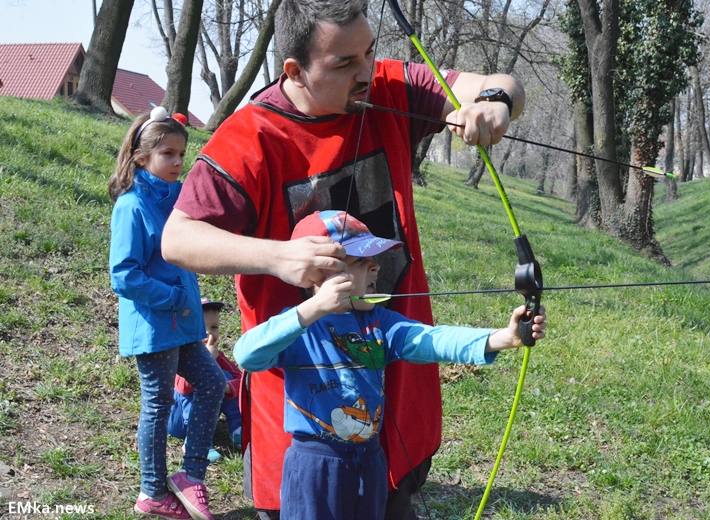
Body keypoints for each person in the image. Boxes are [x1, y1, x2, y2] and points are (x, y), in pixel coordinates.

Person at [160, 1, 525, 517]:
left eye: (369, 52)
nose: (365, 73)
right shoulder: (251, 137)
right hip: (302, 423)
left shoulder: (388, 86)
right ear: (295, 71)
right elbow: (178, 238)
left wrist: (493, 102)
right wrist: (279, 256)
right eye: (343, 64)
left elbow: (500, 83)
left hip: (391, 387)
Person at [232, 210, 547, 520]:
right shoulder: (298, 327)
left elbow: (431, 339)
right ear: (319, 273)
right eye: (360, 261)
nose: (375, 267)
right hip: (316, 465)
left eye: (373, 259)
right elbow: (248, 355)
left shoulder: (379, 324)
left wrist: (502, 338)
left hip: (369, 460)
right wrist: (312, 309)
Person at [109, 106, 225, 520]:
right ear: (142, 157)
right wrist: (174, 298)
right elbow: (124, 275)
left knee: (213, 381)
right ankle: (152, 492)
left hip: (182, 325)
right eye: (168, 154)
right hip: (155, 325)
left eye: (181, 153)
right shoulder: (132, 206)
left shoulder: (178, 200)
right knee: (157, 405)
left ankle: (190, 476)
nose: (178, 162)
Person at [168, 298, 243, 463]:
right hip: (178, 421)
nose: (209, 333)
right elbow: (182, 388)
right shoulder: (180, 356)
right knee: (198, 380)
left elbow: (241, 379)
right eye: (202, 328)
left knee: (224, 376)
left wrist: (226, 387)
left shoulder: (219, 356)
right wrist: (207, 361)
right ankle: (195, 441)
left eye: (214, 327)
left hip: (204, 416)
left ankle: (237, 429)